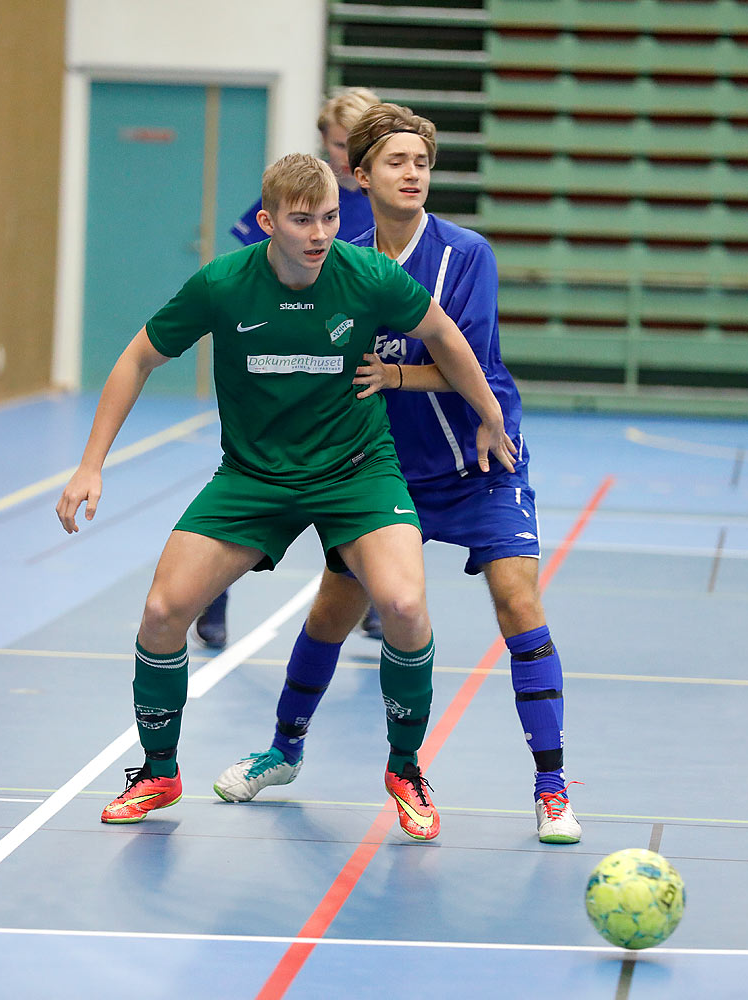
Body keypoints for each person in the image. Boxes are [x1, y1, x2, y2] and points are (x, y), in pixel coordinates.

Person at [56, 152, 516, 842]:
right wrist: (90, 464)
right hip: (253, 478)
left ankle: (405, 766)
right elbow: (138, 357)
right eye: (302, 220)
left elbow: (445, 337)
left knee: (405, 604)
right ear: (269, 222)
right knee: (160, 612)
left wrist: (489, 414)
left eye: (329, 217)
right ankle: (158, 770)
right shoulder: (223, 285)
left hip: (357, 471)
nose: (319, 233)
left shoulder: (368, 276)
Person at [211, 104, 583, 845]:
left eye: (422, 163)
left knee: (517, 601)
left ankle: (551, 785)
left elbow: (462, 358)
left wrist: (397, 378)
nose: (413, 173)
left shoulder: (465, 255)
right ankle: (282, 751)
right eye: (396, 162)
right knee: (330, 611)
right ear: (361, 175)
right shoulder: (339, 256)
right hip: (384, 473)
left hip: (479, 458)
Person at [195, 86, 384, 651]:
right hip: (280, 378)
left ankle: (368, 599)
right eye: (337, 145)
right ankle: (213, 600)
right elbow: (243, 273)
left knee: (362, 490)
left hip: (350, 375)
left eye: (358, 147)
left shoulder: (384, 209)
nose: (347, 158)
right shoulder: (300, 200)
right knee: (250, 491)